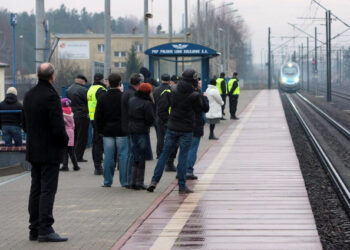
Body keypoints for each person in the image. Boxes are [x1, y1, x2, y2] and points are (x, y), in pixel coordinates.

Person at [23, 63, 69, 242]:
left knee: (36, 188)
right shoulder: (51, 96)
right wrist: (64, 142)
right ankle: (45, 229)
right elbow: (58, 127)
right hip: (49, 150)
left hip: (33, 149)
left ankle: (34, 229)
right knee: (48, 190)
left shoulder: (29, 95)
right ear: (52, 76)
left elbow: (24, 123)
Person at [147, 69, 209, 194]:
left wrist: (167, 122)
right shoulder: (194, 94)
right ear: (193, 80)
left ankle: (154, 181)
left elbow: (162, 109)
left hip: (172, 127)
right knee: (183, 157)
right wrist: (202, 95)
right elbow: (204, 109)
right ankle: (181, 185)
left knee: (164, 155)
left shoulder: (172, 90)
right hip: (186, 129)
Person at [95, 73, 130, 188]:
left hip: (107, 131)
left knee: (108, 157)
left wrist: (99, 130)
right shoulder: (124, 96)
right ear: (120, 83)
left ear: (108, 83)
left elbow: (98, 116)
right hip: (122, 131)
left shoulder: (102, 97)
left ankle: (107, 181)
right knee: (123, 156)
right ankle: (124, 182)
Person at [128, 83, 155, 190]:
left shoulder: (132, 100)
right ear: (148, 92)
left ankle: (132, 181)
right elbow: (150, 119)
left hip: (132, 129)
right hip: (142, 130)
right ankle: (139, 182)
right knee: (141, 156)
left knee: (135, 155)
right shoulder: (147, 103)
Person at [120, 73, 142, 187]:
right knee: (131, 155)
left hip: (126, 126)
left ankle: (127, 180)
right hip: (132, 127)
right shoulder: (133, 95)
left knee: (128, 154)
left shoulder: (126, 93)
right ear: (139, 83)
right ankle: (128, 180)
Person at [186, 79, 209, 179]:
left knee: (184, 149)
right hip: (195, 125)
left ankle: (181, 170)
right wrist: (205, 98)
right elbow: (205, 108)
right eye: (199, 84)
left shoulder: (182, 93)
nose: (200, 85)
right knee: (192, 149)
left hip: (184, 125)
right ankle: (188, 171)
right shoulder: (198, 95)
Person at [87, 73, 108, 175]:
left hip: (93, 118)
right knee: (100, 143)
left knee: (96, 143)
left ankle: (97, 165)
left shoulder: (91, 89)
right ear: (102, 79)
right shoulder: (101, 90)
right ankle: (99, 167)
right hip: (101, 119)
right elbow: (103, 105)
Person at [66, 75, 89, 162]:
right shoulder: (84, 90)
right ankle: (78, 156)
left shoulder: (69, 89)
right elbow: (88, 102)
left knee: (73, 136)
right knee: (82, 136)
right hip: (82, 115)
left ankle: (72, 156)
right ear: (82, 81)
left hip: (71, 115)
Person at [153, 73, 171, 159]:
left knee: (160, 136)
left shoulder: (155, 90)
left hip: (158, 116)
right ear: (169, 80)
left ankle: (159, 153)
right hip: (168, 116)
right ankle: (167, 153)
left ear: (161, 79)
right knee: (168, 137)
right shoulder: (171, 89)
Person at [59, 98, 80, 172]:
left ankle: (65, 166)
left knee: (65, 151)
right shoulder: (71, 113)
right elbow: (73, 125)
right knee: (71, 151)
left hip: (65, 133)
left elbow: (61, 124)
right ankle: (76, 166)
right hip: (71, 133)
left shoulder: (62, 114)